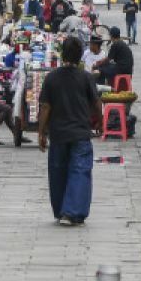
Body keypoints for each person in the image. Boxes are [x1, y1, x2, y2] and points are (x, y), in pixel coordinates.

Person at [37, 37, 102, 226]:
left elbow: (45, 107)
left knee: (58, 172)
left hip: (58, 134)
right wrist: (101, 121)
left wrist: (41, 132)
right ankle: (72, 212)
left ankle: (61, 210)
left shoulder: (52, 77)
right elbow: (96, 102)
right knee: (79, 171)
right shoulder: (86, 77)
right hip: (80, 133)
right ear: (81, 55)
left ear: (62, 54)